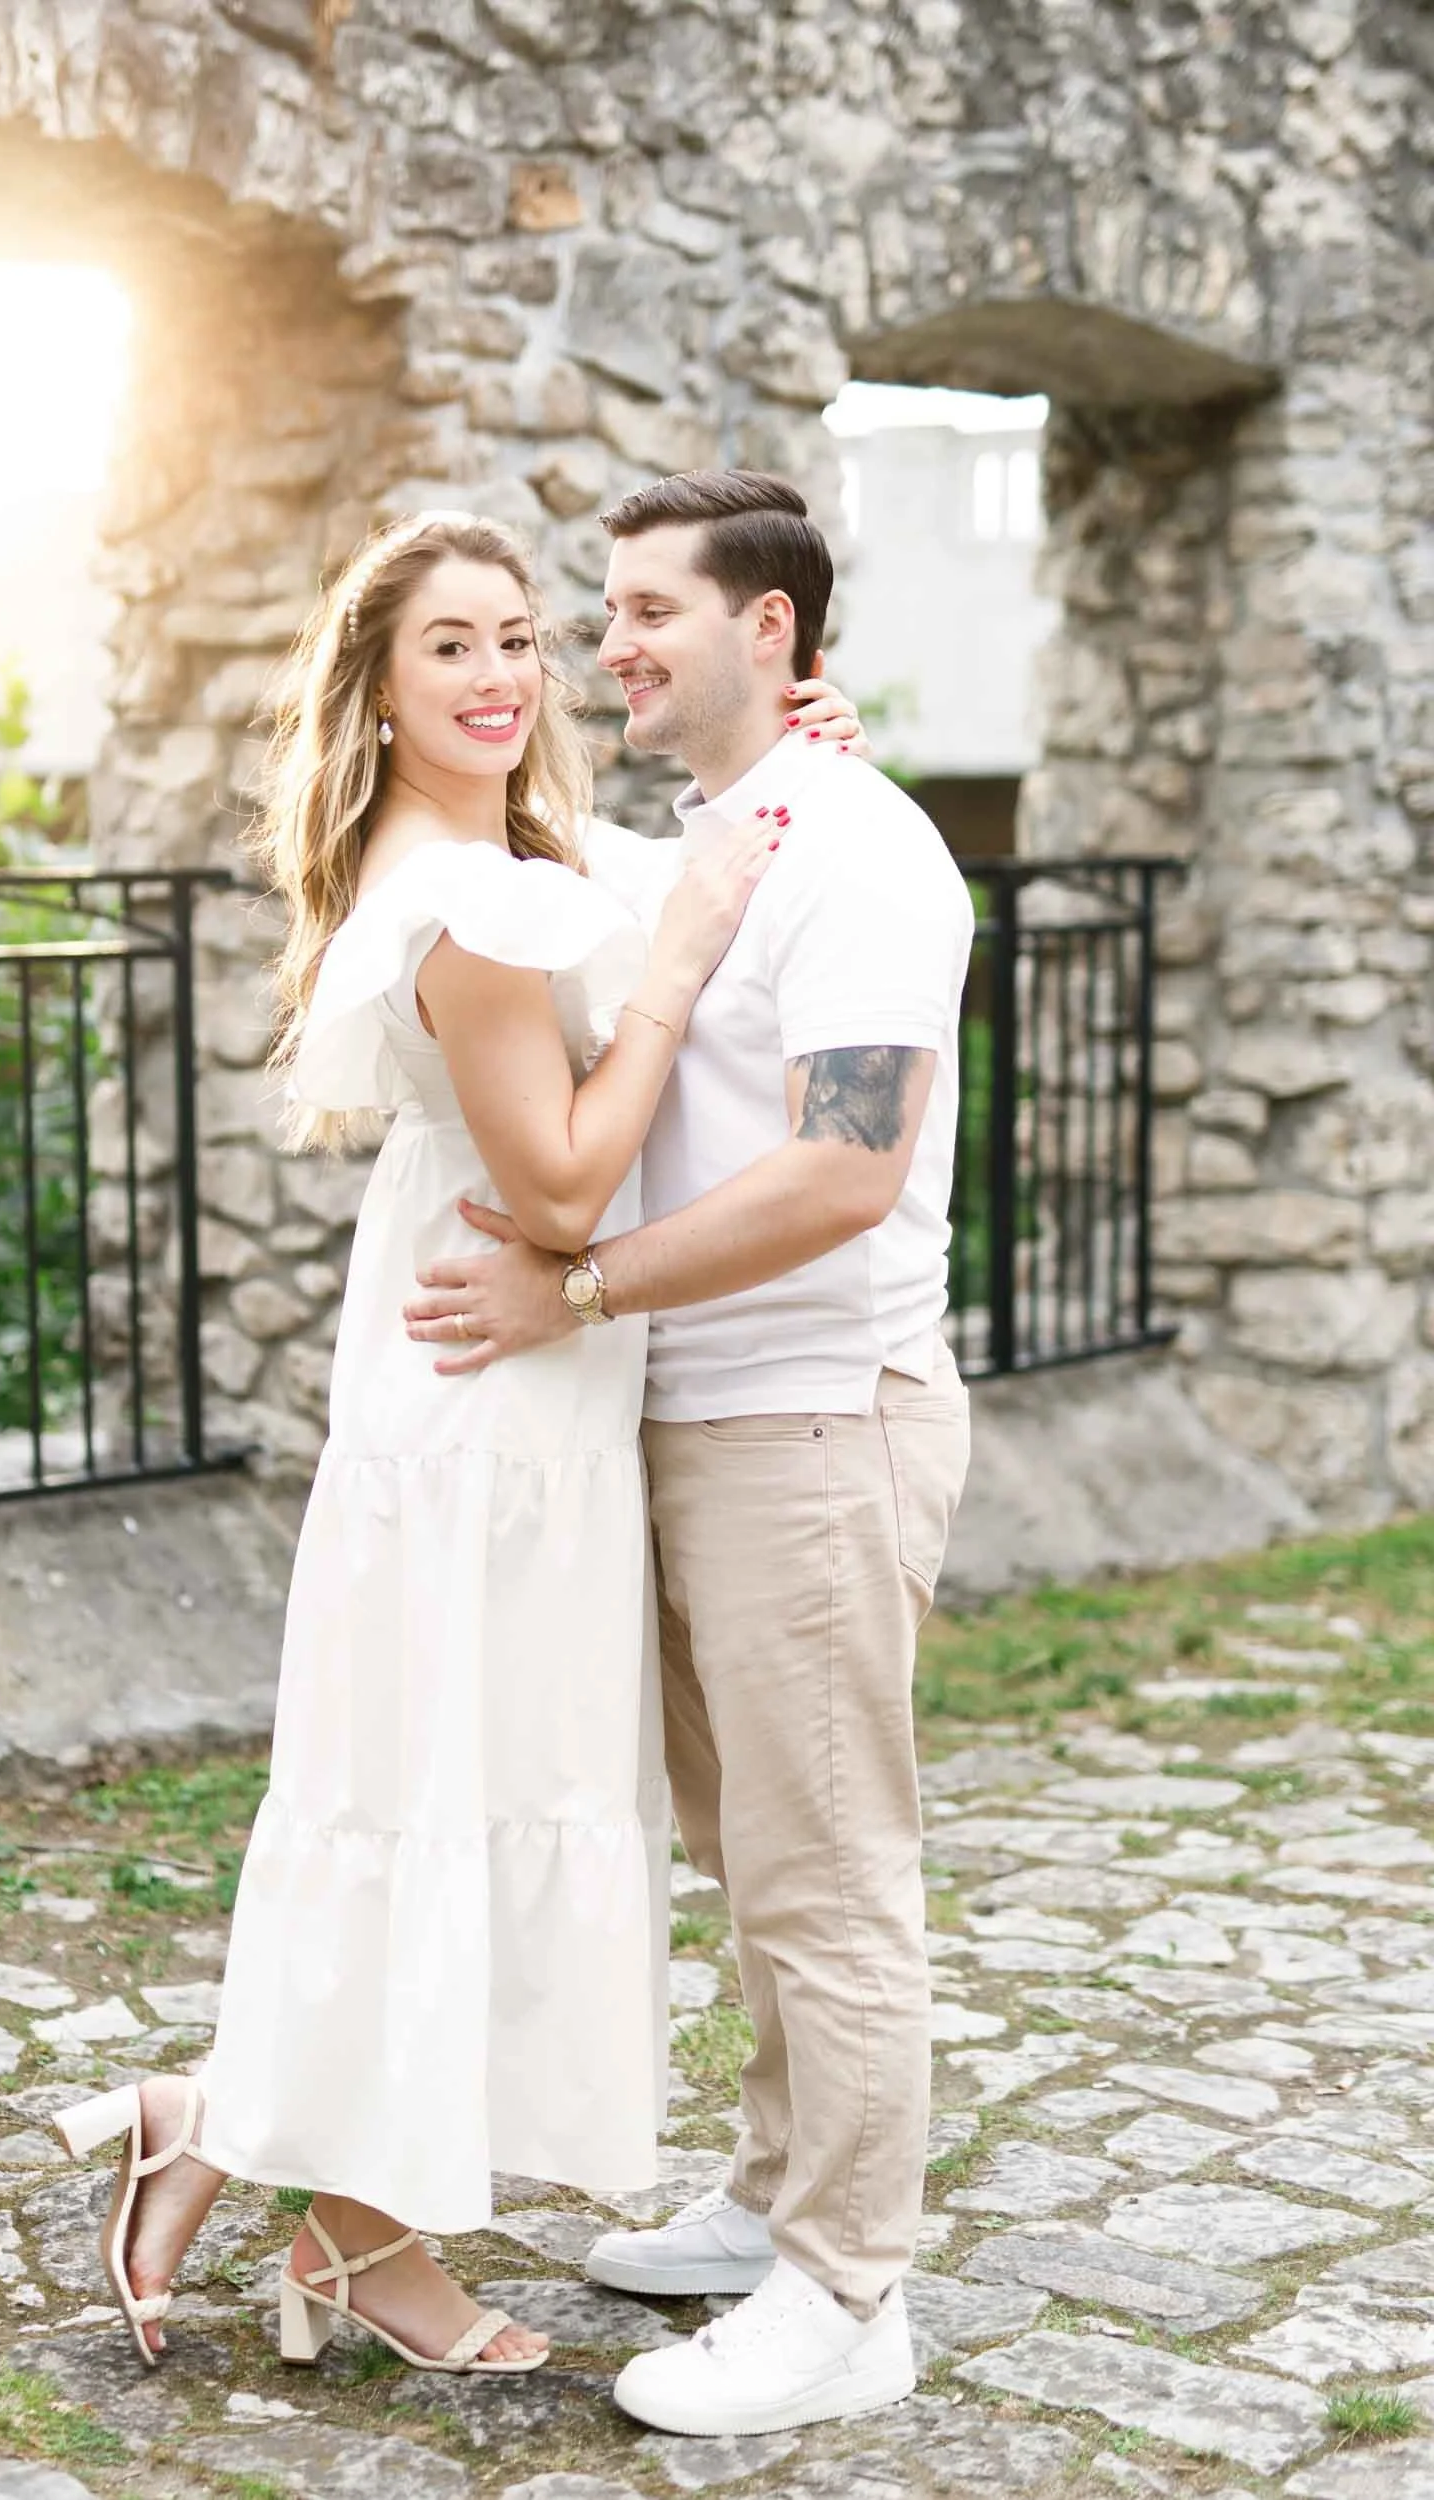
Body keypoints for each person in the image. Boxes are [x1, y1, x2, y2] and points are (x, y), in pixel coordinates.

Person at [52, 507, 868, 2380]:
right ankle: (338, 2232)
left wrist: (777, 769)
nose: (501, 675)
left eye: (520, 637)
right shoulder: (465, 900)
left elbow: (676, 867)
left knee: (463, 1794)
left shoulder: (515, 858)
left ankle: (254, 2159)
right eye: (449, 647)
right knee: (452, 1800)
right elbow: (569, 1184)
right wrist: (672, 967)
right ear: (378, 687)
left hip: (535, 1398)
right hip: (489, 1387)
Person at [402, 471, 976, 2438]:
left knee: (828, 1876)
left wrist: (581, 1293)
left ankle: (846, 2291)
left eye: (653, 608)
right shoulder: (713, 840)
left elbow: (841, 1167)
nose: (609, 643)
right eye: (609, 609)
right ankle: (770, 2198)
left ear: (773, 634)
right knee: (753, 1860)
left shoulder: (869, 856)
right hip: (702, 1419)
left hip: (813, 1420)